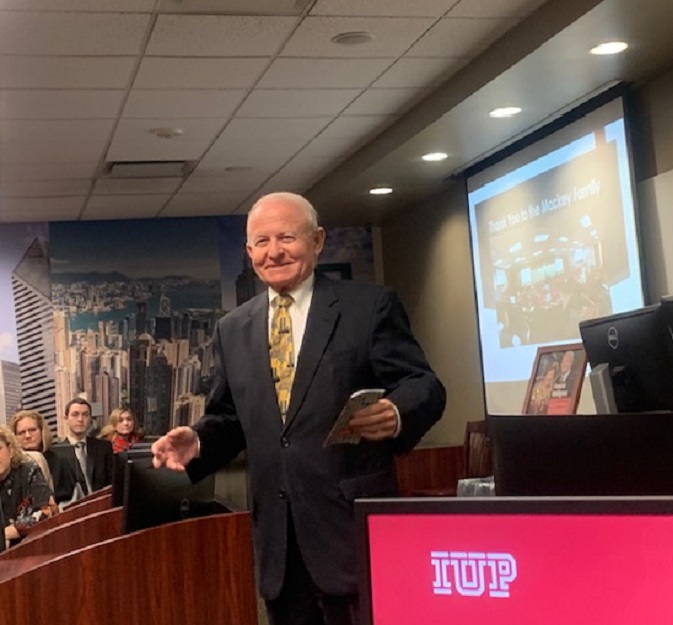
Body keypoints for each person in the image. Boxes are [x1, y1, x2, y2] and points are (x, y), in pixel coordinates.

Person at [152, 192, 446, 625]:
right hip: (278, 543)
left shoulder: (368, 307)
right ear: (249, 251)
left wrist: (397, 411)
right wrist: (197, 439)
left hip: (350, 533)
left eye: (287, 237)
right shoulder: (232, 328)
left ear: (318, 240)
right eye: (262, 241)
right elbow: (232, 417)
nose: (275, 252)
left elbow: (424, 385)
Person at [10, 409, 80, 505]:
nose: (27, 436)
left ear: (42, 431)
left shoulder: (60, 459)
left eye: (32, 430)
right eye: (21, 432)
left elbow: (70, 497)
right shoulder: (11, 465)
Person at [0, 427, 53, 548]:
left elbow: (48, 512)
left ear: (11, 450)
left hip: (31, 544)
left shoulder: (28, 471)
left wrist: (7, 533)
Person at [55, 397, 114, 495]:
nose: (80, 419)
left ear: (90, 419)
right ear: (66, 418)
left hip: (101, 504)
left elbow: (112, 482)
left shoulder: (104, 447)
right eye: (75, 414)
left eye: (85, 415)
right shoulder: (56, 452)